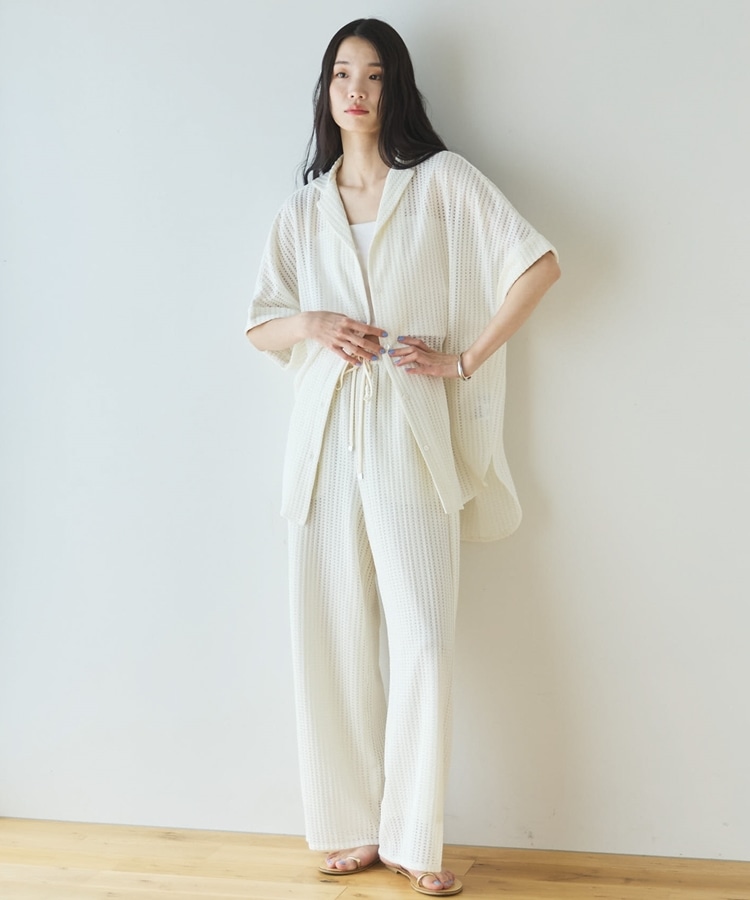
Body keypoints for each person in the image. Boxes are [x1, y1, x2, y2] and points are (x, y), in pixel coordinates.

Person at [246, 18, 560, 896]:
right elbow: (260, 324)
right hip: (323, 436)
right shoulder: (302, 210)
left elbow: (536, 264)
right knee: (332, 631)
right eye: (343, 74)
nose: (357, 90)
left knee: (422, 631)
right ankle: (349, 827)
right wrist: (312, 322)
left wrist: (463, 361)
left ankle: (414, 835)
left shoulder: (442, 182)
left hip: (409, 427)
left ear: (397, 89)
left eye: (376, 75)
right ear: (326, 90)